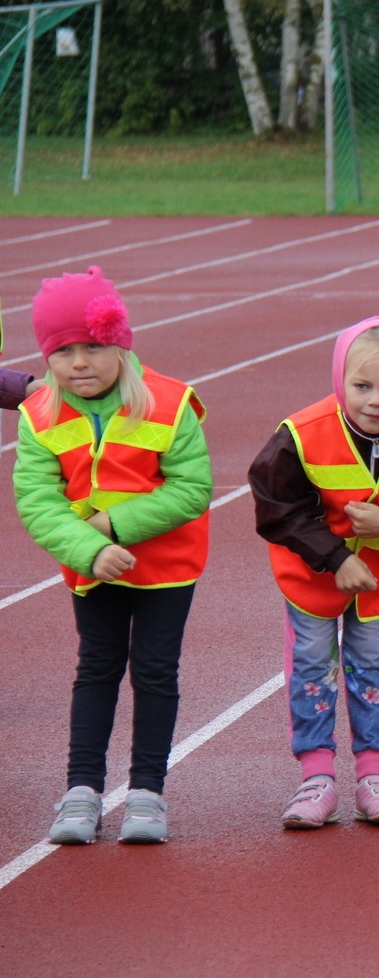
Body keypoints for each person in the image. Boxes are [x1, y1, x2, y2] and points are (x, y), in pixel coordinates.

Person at [12, 266, 212, 845]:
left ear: (122, 345)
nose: (80, 362)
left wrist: (115, 526)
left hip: (166, 570)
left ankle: (147, 792)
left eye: (95, 347)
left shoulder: (170, 405)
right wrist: (90, 549)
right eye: (63, 350)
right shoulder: (40, 415)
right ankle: (81, 790)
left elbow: (192, 487)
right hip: (90, 568)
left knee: (154, 672)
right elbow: (38, 499)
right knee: (96, 668)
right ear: (46, 357)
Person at [249, 317, 379, 829]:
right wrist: (337, 557)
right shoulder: (299, 436)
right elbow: (278, 509)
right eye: (362, 386)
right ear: (339, 380)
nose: (375, 400)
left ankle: (375, 772)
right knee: (311, 665)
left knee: (369, 664)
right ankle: (316, 775)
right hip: (312, 576)